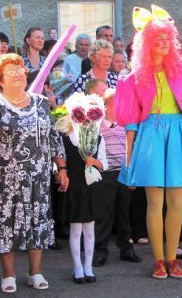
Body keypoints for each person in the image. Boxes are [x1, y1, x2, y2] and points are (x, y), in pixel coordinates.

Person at [115, 5, 182, 279]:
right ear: (147, 43)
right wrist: (129, 157)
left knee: (177, 203)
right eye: (159, 38)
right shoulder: (132, 79)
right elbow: (130, 120)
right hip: (150, 137)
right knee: (154, 204)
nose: (165, 43)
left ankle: (172, 258)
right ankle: (158, 260)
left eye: (168, 38)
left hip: (179, 136)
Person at [0, 53, 69, 293]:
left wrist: (62, 167)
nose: (17, 74)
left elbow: (53, 138)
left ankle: (35, 272)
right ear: (0, 80)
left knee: (38, 222)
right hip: (5, 179)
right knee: (6, 225)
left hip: (38, 177)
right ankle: (8, 275)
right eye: (11, 71)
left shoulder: (41, 102)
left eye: (20, 69)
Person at [94, 88, 142, 267]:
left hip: (124, 172)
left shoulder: (127, 125)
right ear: (106, 106)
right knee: (105, 214)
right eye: (115, 103)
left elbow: (133, 149)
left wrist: (132, 175)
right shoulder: (98, 126)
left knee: (124, 213)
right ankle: (101, 249)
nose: (120, 106)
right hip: (106, 173)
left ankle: (126, 248)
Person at [61, 103, 108, 284]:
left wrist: (93, 161)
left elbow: (105, 164)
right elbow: (58, 164)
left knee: (89, 229)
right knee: (75, 231)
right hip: (74, 188)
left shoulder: (97, 138)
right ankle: (77, 268)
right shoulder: (65, 139)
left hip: (91, 187)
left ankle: (88, 266)